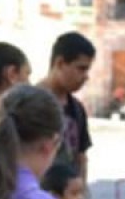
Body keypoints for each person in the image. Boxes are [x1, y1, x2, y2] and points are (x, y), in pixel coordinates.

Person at [38, 32, 95, 185]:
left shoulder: (77, 108)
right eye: (81, 69)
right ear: (60, 63)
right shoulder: (29, 103)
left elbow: (81, 157)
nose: (85, 77)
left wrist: (80, 194)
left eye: (87, 70)